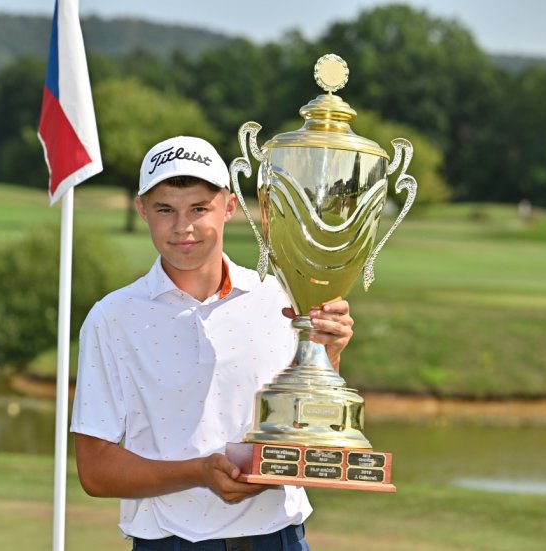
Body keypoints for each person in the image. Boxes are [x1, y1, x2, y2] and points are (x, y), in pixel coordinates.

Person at [70, 136, 354, 550]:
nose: (182, 227)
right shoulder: (112, 318)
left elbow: (312, 429)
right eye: (165, 209)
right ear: (141, 210)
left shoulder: (283, 299)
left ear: (229, 207)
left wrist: (328, 355)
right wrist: (199, 472)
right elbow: (95, 471)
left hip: (278, 537)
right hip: (170, 542)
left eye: (199, 208)